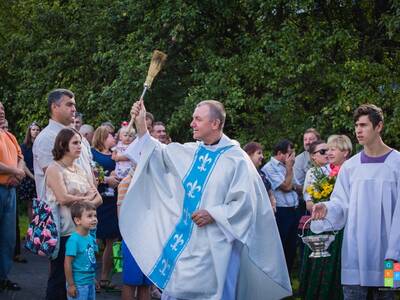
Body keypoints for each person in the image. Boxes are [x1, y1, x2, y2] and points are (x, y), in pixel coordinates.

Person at [120, 99, 292, 300]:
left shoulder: (237, 159)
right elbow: (159, 154)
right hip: (186, 243)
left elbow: (247, 204)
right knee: (177, 291)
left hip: (218, 247)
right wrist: (141, 125)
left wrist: (214, 213)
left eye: (197, 119)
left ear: (215, 124)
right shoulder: (192, 151)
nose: (192, 123)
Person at [312, 104, 400, 300]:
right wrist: (325, 207)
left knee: (389, 295)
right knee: (353, 295)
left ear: (379, 127)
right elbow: (340, 203)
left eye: (364, 125)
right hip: (355, 252)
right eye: (356, 125)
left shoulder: (397, 163)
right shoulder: (350, 166)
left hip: (391, 255)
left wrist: (395, 252)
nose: (358, 130)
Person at [45, 128, 102, 300]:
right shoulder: (54, 169)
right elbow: (62, 198)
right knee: (60, 278)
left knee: (81, 277)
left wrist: (83, 203)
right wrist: (86, 201)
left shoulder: (80, 170)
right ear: (63, 145)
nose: (80, 146)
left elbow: (98, 197)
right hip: (65, 231)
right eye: (75, 143)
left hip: (84, 231)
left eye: (80, 142)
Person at [300, 135, 352, 300]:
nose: (329, 153)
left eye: (332, 149)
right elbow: (337, 201)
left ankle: (390, 287)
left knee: (389, 275)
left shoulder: (353, 170)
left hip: (377, 231)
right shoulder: (322, 172)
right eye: (327, 149)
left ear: (346, 152)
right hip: (331, 225)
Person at [33, 88, 94, 199]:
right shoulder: (47, 138)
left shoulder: (78, 137)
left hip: (85, 207)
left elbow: (88, 170)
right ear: (54, 107)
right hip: (60, 210)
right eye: (69, 105)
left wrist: (92, 197)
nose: (74, 109)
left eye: (74, 105)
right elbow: (57, 179)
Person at [261, 139, 301, 274]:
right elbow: (287, 187)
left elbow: (297, 187)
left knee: (291, 247)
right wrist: (289, 170)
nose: (292, 157)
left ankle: (288, 279)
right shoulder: (269, 168)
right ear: (280, 153)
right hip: (281, 213)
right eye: (289, 154)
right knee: (281, 247)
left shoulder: (286, 166)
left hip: (293, 211)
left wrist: (291, 183)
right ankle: (278, 279)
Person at [91, 126, 120, 291]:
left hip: (113, 203)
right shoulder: (92, 153)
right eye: (111, 135)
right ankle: (90, 278)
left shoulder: (117, 154)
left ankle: (106, 278)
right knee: (93, 240)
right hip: (98, 201)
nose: (114, 137)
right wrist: (106, 178)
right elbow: (90, 173)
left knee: (113, 240)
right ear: (102, 137)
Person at [0, 101, 25, 291]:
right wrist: (14, 171)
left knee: (8, 237)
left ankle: (3, 277)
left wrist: (17, 172)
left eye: (2, 109)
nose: (1, 112)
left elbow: (20, 157)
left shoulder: (9, 135)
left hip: (10, 191)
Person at [117, 167, 152, 300]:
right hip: (133, 239)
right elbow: (122, 216)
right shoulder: (127, 182)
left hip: (149, 238)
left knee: (145, 284)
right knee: (130, 282)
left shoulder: (150, 180)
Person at [64, 202, 98, 300]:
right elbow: (67, 263)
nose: (94, 219)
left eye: (95, 216)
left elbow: (89, 260)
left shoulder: (90, 237)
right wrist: (70, 285)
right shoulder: (74, 240)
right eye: (89, 216)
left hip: (89, 283)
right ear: (78, 220)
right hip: (78, 285)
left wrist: (93, 279)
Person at [243, 142, 276, 212]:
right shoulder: (242, 173)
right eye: (259, 153)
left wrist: (273, 203)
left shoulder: (261, 173)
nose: (262, 156)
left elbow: (269, 191)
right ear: (249, 155)